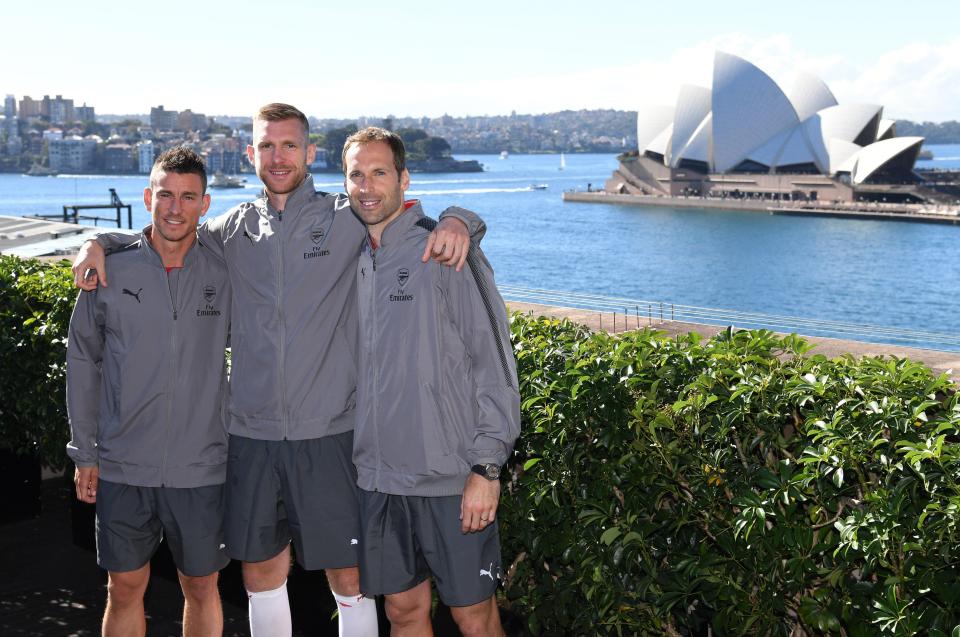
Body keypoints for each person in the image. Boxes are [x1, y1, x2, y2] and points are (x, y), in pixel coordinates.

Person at [71, 103, 484, 636]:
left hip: (331, 431)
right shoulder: (232, 229)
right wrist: (97, 242)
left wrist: (461, 219)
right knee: (261, 572)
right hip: (251, 436)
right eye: (266, 145)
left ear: (310, 153)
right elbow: (167, 232)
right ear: (251, 154)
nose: (278, 156)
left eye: (290, 145)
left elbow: (403, 215)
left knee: (350, 576)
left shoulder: (346, 218)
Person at [344, 127, 520, 636]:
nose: (367, 186)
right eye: (357, 174)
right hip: (378, 479)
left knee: (474, 616)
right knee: (402, 614)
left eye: (380, 173)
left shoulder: (443, 251)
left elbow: (496, 361)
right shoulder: (351, 255)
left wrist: (487, 467)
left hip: (450, 478)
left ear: (404, 178)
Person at [66, 147, 231, 637]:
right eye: (165, 195)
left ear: (205, 204)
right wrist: (85, 452)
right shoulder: (110, 271)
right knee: (124, 588)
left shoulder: (225, 272)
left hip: (202, 466)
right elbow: (82, 364)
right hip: (122, 463)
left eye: (187, 197)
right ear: (147, 197)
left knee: (202, 587)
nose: (174, 208)